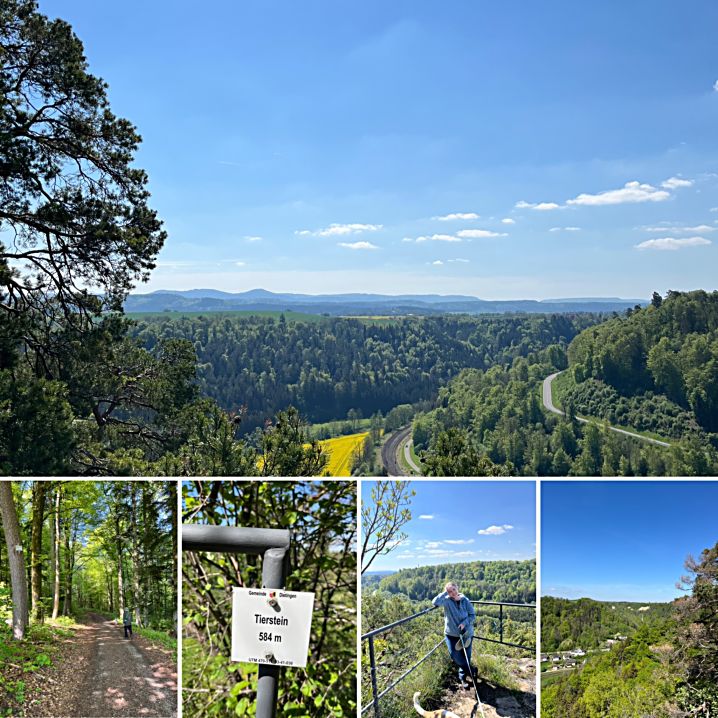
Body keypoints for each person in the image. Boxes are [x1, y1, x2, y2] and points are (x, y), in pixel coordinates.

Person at [432, 582, 476, 686]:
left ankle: (463, 677)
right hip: (451, 634)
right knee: (455, 656)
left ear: (457, 588)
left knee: (466, 656)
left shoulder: (465, 600)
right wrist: (444, 593)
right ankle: (472, 671)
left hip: (466, 633)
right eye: (449, 591)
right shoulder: (446, 601)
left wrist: (464, 623)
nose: (452, 592)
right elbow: (434, 602)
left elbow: (472, 615)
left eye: (454, 589)